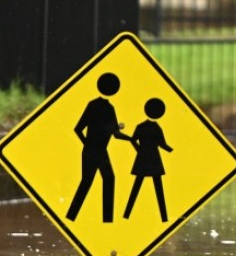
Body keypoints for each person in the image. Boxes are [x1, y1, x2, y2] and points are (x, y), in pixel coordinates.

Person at [66, 72, 130, 223]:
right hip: (98, 151)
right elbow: (116, 134)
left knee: (94, 181)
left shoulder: (93, 105)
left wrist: (87, 144)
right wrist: (131, 138)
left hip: (93, 150)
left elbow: (79, 129)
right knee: (101, 180)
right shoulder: (109, 108)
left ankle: (73, 216)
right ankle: (105, 219)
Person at [123, 97, 173, 222]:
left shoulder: (141, 126)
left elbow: (133, 139)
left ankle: (126, 214)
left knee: (137, 186)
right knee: (158, 188)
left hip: (143, 158)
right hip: (154, 159)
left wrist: (139, 150)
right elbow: (162, 144)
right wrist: (172, 150)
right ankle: (164, 216)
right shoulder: (157, 128)